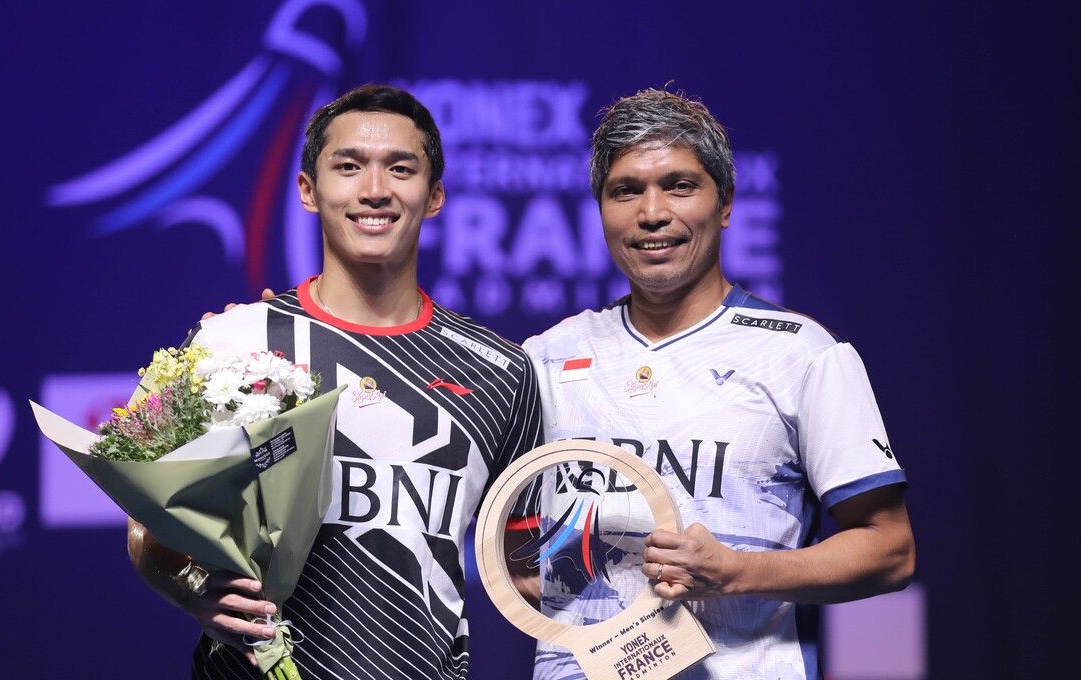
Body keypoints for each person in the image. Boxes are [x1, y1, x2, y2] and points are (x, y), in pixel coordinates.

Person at [126, 84, 543, 680]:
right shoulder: (234, 342)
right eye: (348, 167)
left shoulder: (500, 371)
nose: (375, 190)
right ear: (307, 190)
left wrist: (656, 594)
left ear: (435, 197)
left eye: (402, 168)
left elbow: (529, 568)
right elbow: (147, 525)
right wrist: (192, 592)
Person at [520, 88, 915, 679]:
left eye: (679, 185)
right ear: (600, 210)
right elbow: (508, 545)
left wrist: (735, 572)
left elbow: (890, 550)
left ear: (726, 203)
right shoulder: (547, 358)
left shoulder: (801, 354)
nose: (651, 212)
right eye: (625, 190)